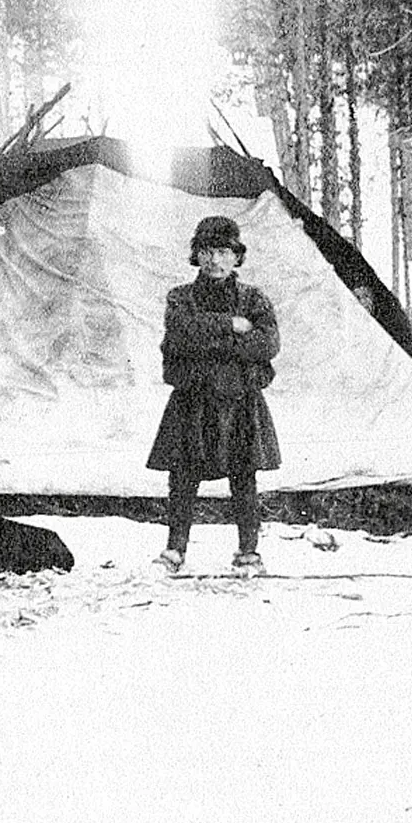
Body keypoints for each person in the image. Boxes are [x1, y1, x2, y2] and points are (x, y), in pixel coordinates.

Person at [149, 215, 281, 576]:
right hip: (193, 400)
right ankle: (174, 551)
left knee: (244, 475)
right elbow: (179, 336)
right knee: (182, 476)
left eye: (224, 252)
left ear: (237, 256)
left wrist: (208, 343)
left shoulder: (254, 298)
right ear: (197, 255)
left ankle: (248, 552)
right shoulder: (180, 297)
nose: (215, 260)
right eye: (207, 252)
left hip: (240, 400)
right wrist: (230, 326)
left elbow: (267, 344)